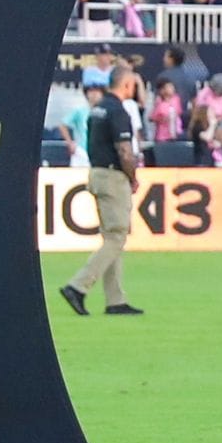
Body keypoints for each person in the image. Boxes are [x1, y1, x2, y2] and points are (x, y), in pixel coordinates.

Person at [57, 65, 144, 318]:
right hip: (113, 176)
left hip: (96, 172)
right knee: (117, 237)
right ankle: (77, 286)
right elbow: (125, 151)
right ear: (126, 84)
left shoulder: (97, 109)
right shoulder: (118, 111)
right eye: (133, 84)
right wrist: (133, 177)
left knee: (111, 238)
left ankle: (115, 300)